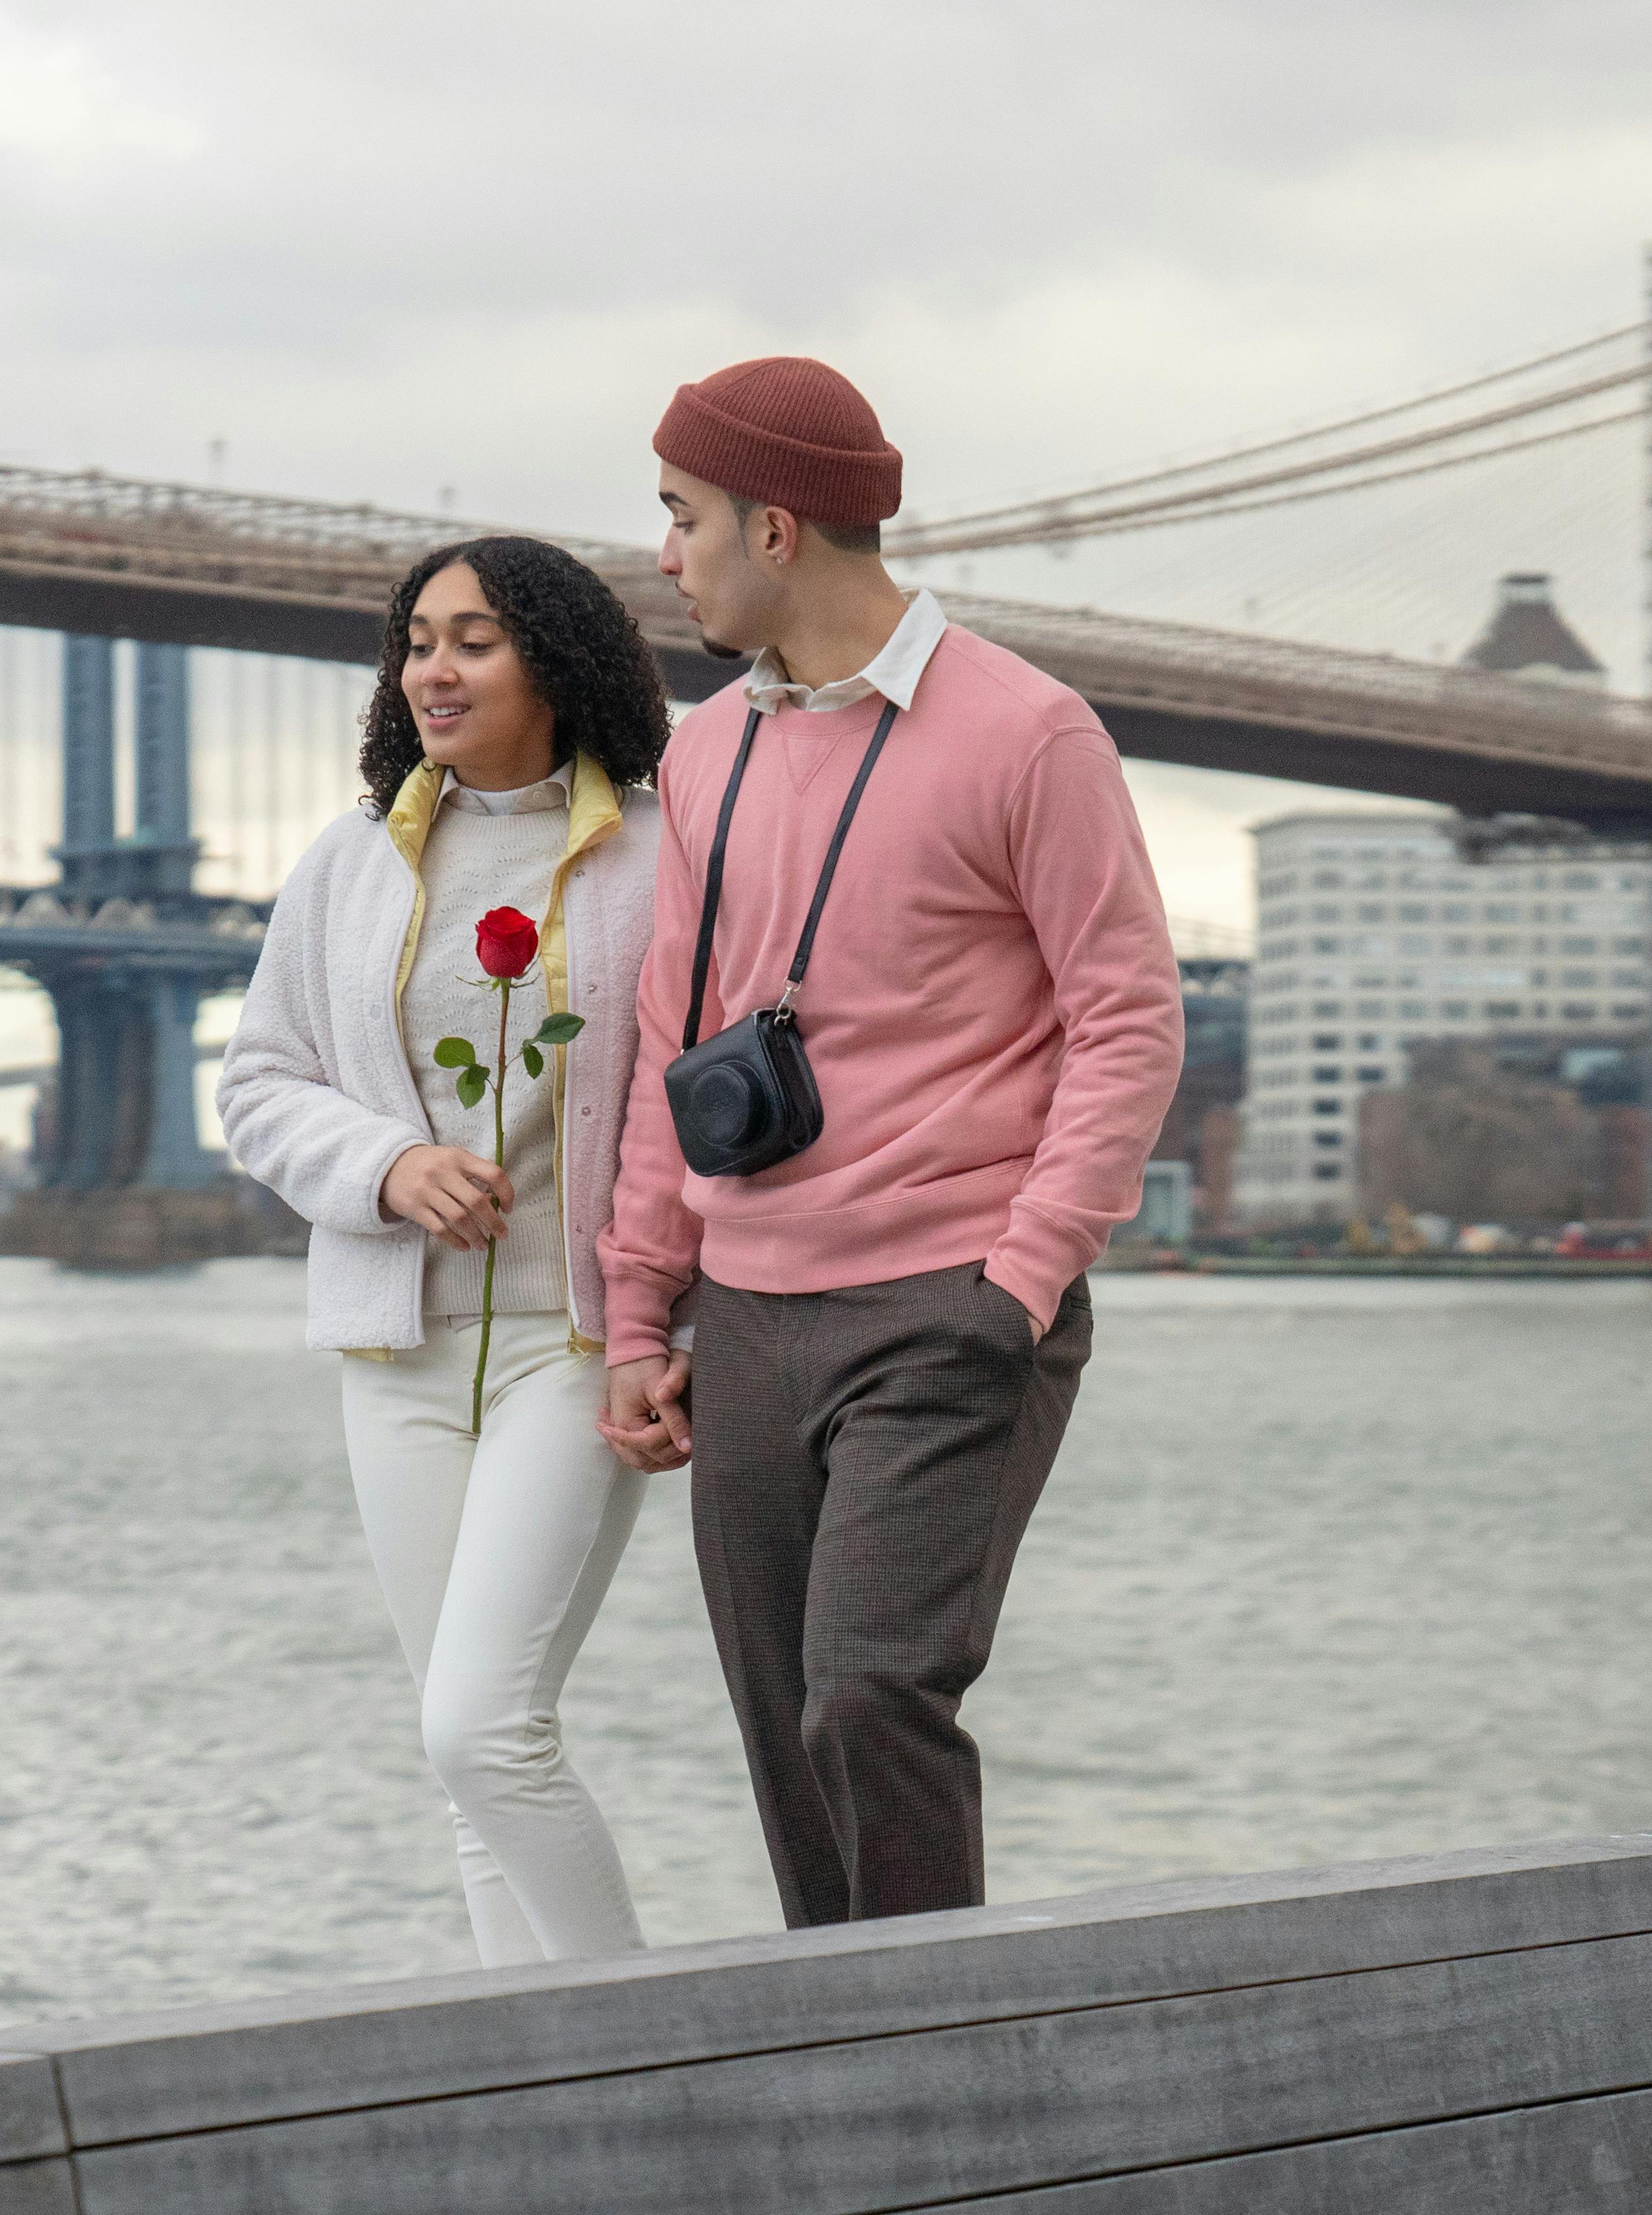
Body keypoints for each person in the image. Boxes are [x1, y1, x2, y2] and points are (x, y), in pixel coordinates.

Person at [597, 357, 1183, 1928]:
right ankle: (846, 2080)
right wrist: (644, 1308)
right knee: (790, 1744)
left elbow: (1126, 1023)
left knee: (869, 1698)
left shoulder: (1030, 736)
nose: (664, 552)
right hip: (750, 1315)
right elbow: (673, 1036)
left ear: (775, 528)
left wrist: (1024, 1275)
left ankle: (957, 2077)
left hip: (948, 1303)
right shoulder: (704, 752)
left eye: (680, 515)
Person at [218, 535, 674, 1964]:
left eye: (475, 639)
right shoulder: (351, 861)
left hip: (575, 1343)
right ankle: (549, 2100)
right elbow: (260, 1084)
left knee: (482, 1724)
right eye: (419, 639)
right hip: (397, 1353)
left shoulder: (668, 851)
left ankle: (656, 2054)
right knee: (464, 1766)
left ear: (557, 659)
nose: (433, 667)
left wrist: (680, 1328)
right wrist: (388, 1164)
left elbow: (693, 1098)